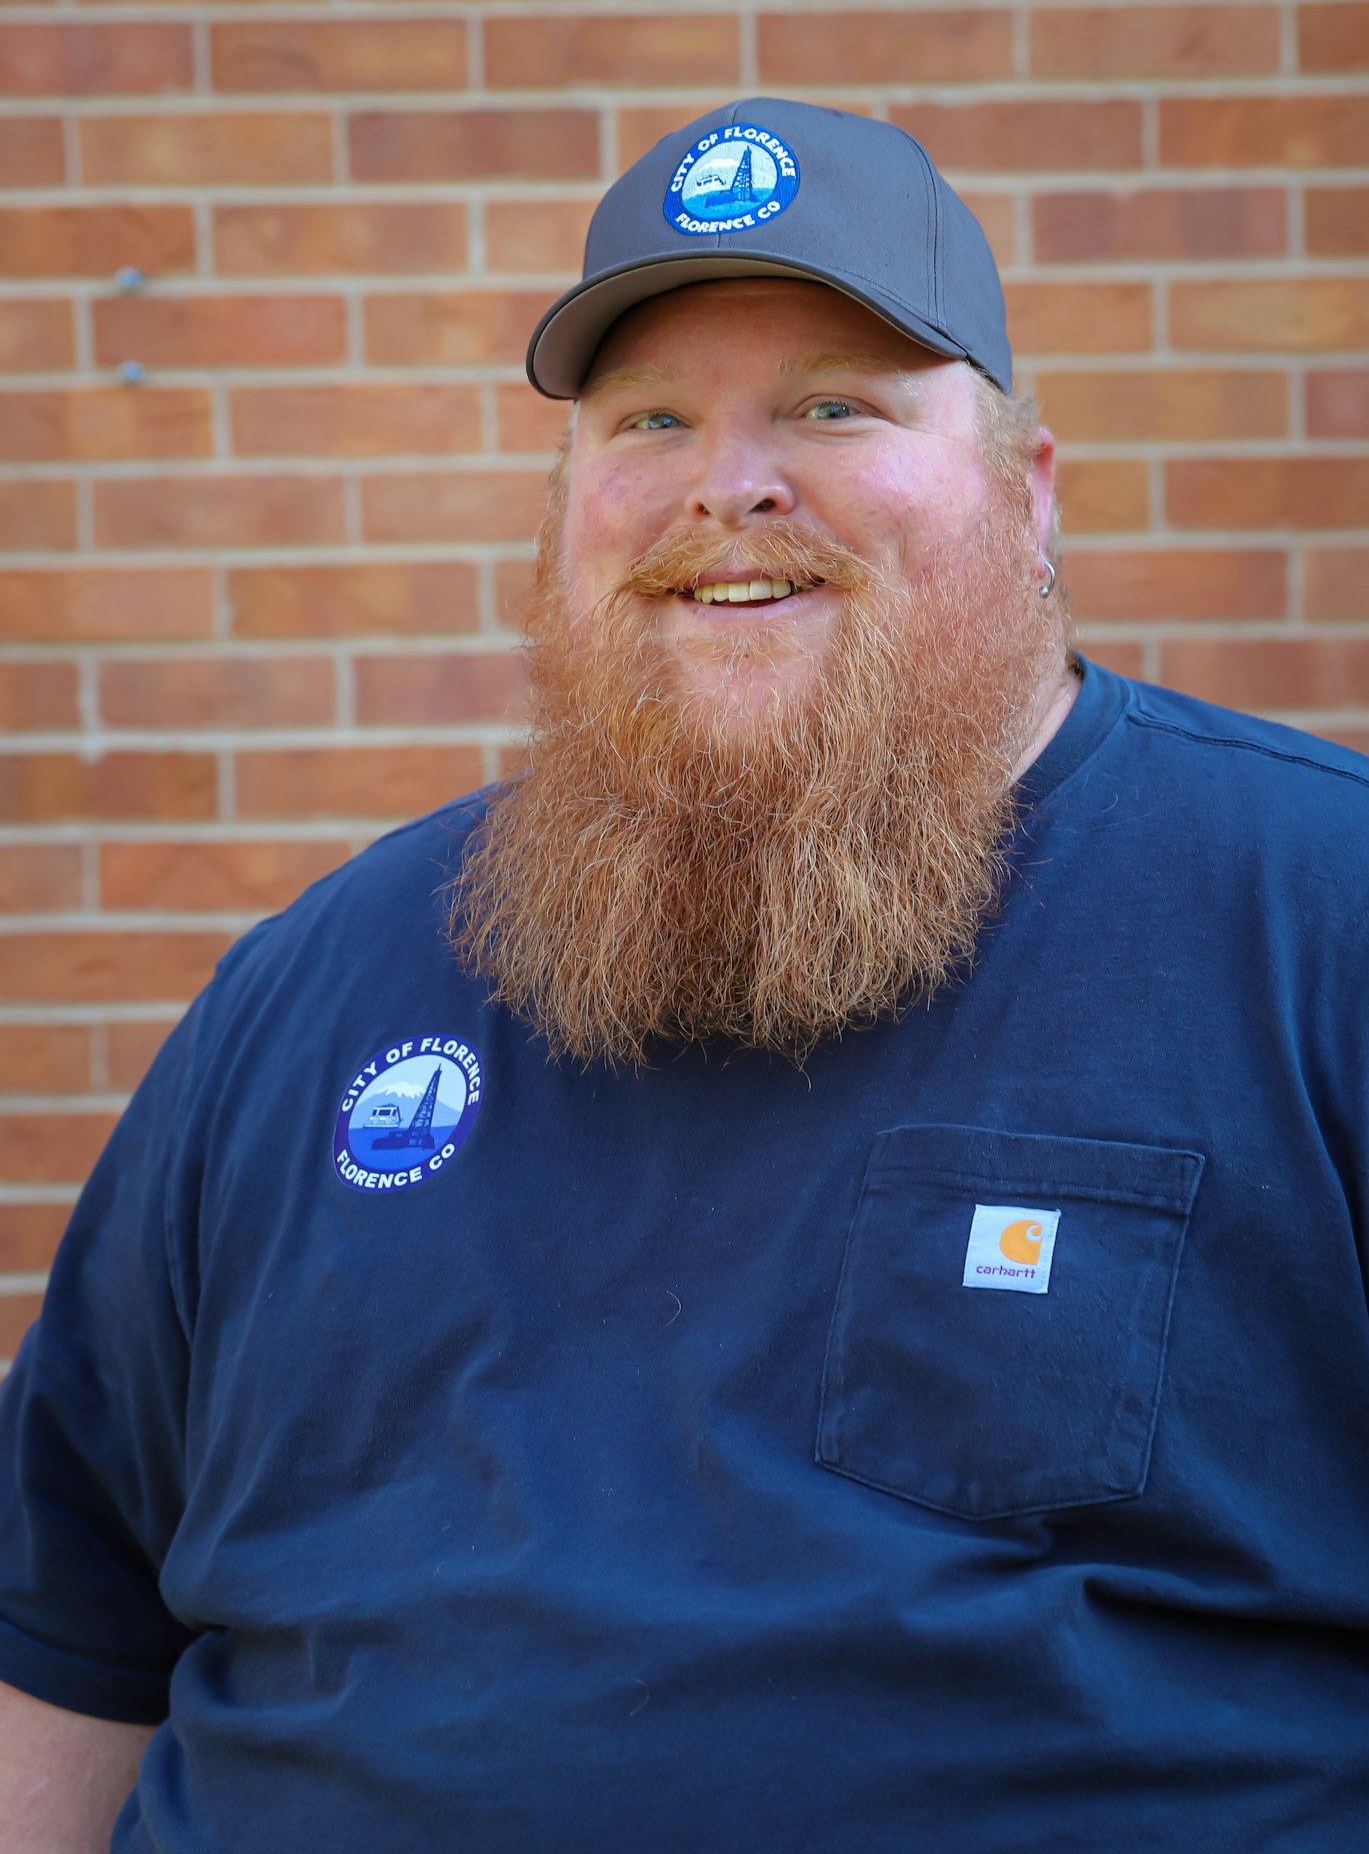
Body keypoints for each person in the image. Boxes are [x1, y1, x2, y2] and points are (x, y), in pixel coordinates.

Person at [1, 97, 1366, 1853]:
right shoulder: (309, 992)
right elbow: (64, 1636)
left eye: (832, 405)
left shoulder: (1312, 918)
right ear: (565, 510)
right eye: (649, 419)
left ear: (1025, 493)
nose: (731, 484)